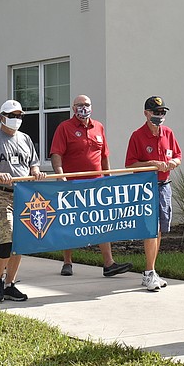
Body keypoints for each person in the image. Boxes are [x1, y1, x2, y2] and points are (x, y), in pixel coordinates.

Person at [51, 95, 132, 278]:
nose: (83, 108)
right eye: (80, 105)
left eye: (86, 105)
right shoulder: (65, 128)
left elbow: (104, 155)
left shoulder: (98, 127)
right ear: (73, 108)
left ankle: (109, 263)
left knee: (101, 222)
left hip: (97, 184)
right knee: (70, 222)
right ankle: (67, 262)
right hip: (72, 183)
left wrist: (108, 176)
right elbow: (56, 154)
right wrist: (60, 174)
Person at [0, 99, 45, 303]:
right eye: (12, 116)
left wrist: (36, 173)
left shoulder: (25, 139)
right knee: (8, 236)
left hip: (22, 195)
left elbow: (34, 164)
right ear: (3, 117)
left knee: (20, 241)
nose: (16, 119)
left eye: (20, 116)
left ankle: (9, 285)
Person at [125, 96, 182, 292]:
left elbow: (178, 156)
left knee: (159, 229)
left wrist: (173, 163)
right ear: (146, 113)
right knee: (151, 228)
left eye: (162, 113)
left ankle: (152, 270)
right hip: (147, 188)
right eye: (156, 112)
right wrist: (151, 164)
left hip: (164, 185)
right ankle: (149, 272)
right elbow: (130, 164)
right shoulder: (137, 135)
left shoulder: (168, 133)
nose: (160, 116)